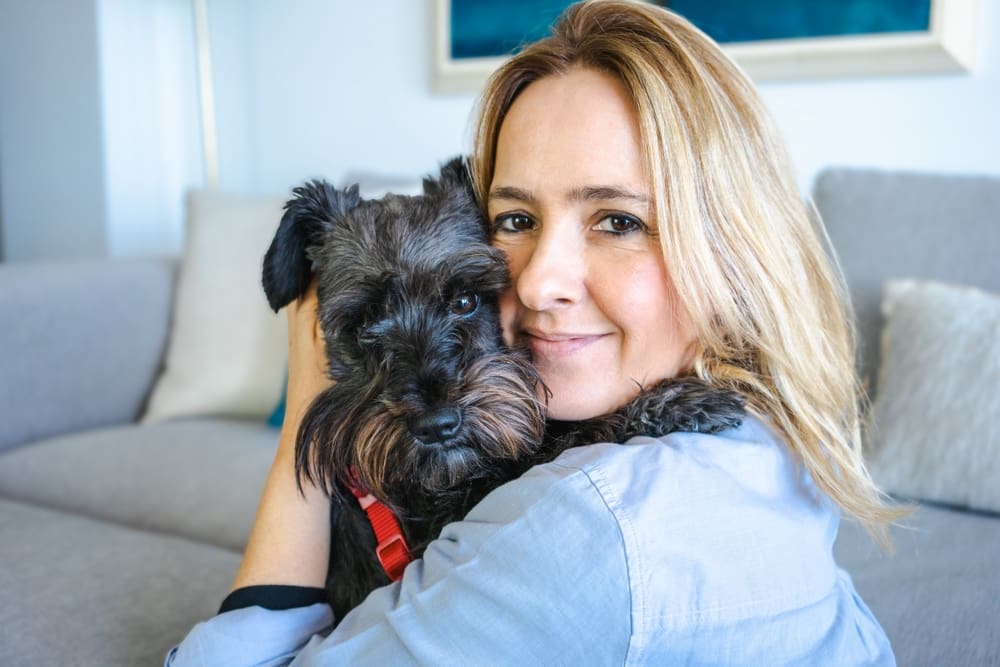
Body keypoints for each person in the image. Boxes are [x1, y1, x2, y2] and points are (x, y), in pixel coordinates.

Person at [167, 1, 902, 664]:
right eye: (515, 220)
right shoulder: (773, 441)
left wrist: (305, 400)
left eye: (620, 221)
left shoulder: (581, 530)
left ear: (736, 251)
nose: (537, 281)